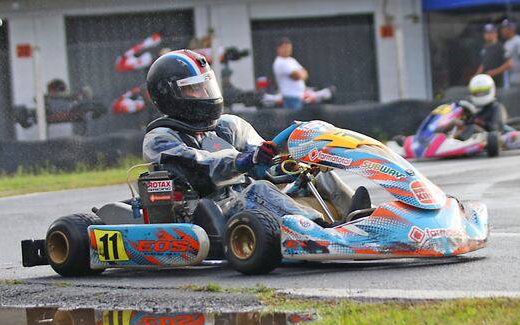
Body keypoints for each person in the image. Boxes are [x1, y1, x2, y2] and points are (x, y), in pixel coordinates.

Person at [142, 49, 367, 225]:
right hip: (209, 211)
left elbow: (262, 159)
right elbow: (200, 168)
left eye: (206, 86)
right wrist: (244, 160)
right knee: (259, 190)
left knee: (314, 172)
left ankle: (359, 217)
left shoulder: (228, 126)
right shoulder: (160, 139)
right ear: (169, 95)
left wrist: (288, 162)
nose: (205, 95)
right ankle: (319, 229)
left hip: (250, 202)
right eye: (194, 89)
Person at [272, 37, 308, 111]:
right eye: (285, 47)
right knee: (294, 120)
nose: (287, 50)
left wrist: (302, 74)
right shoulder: (280, 62)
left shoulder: (291, 60)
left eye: (289, 47)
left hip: (298, 96)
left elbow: (305, 72)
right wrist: (301, 74)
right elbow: (296, 76)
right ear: (278, 48)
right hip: (290, 97)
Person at [476, 23, 510, 88]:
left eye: (491, 33)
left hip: (498, 82)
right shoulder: (484, 47)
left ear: (495, 34)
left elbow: (509, 64)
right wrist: (477, 75)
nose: (488, 35)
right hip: (485, 81)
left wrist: (494, 72)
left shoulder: (500, 47)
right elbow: (483, 64)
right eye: (487, 33)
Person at [500, 19, 520, 88]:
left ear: (510, 29)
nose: (502, 31)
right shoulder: (507, 42)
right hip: (511, 78)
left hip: (519, 78)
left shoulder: (519, 41)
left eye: (504, 29)